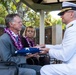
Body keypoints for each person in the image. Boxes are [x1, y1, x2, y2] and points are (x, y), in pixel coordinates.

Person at [39, 1, 76, 75]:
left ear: (71, 14)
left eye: (63, 14)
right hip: (71, 63)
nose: (61, 16)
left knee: (44, 70)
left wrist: (48, 51)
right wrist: (45, 46)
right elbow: (63, 46)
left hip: (73, 67)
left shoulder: (73, 29)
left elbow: (64, 55)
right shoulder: (71, 27)